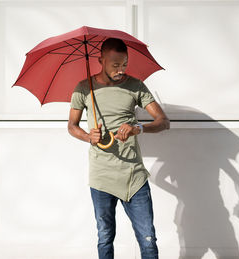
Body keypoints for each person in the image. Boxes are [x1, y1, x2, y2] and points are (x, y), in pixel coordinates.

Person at [67, 37, 170, 259]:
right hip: (101, 177)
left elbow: (163, 121)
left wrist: (138, 128)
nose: (121, 70)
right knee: (105, 237)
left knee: (148, 239)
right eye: (115, 65)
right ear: (100, 60)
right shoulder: (84, 89)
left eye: (124, 64)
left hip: (134, 177)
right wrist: (87, 136)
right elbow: (71, 126)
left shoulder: (135, 86)